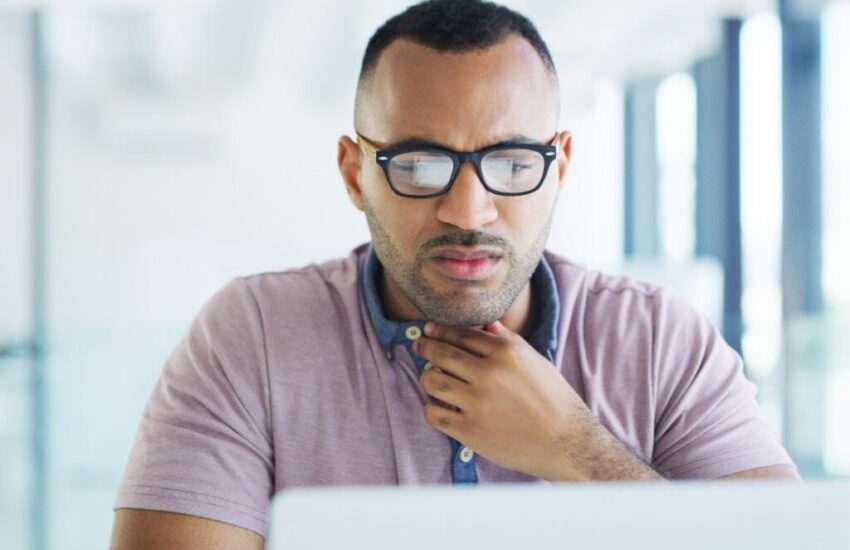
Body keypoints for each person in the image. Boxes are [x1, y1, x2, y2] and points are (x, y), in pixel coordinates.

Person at [110, 0, 799, 548]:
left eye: (510, 162)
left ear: (557, 168)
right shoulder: (251, 338)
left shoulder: (658, 337)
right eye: (416, 164)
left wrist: (578, 452)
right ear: (355, 175)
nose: (469, 210)